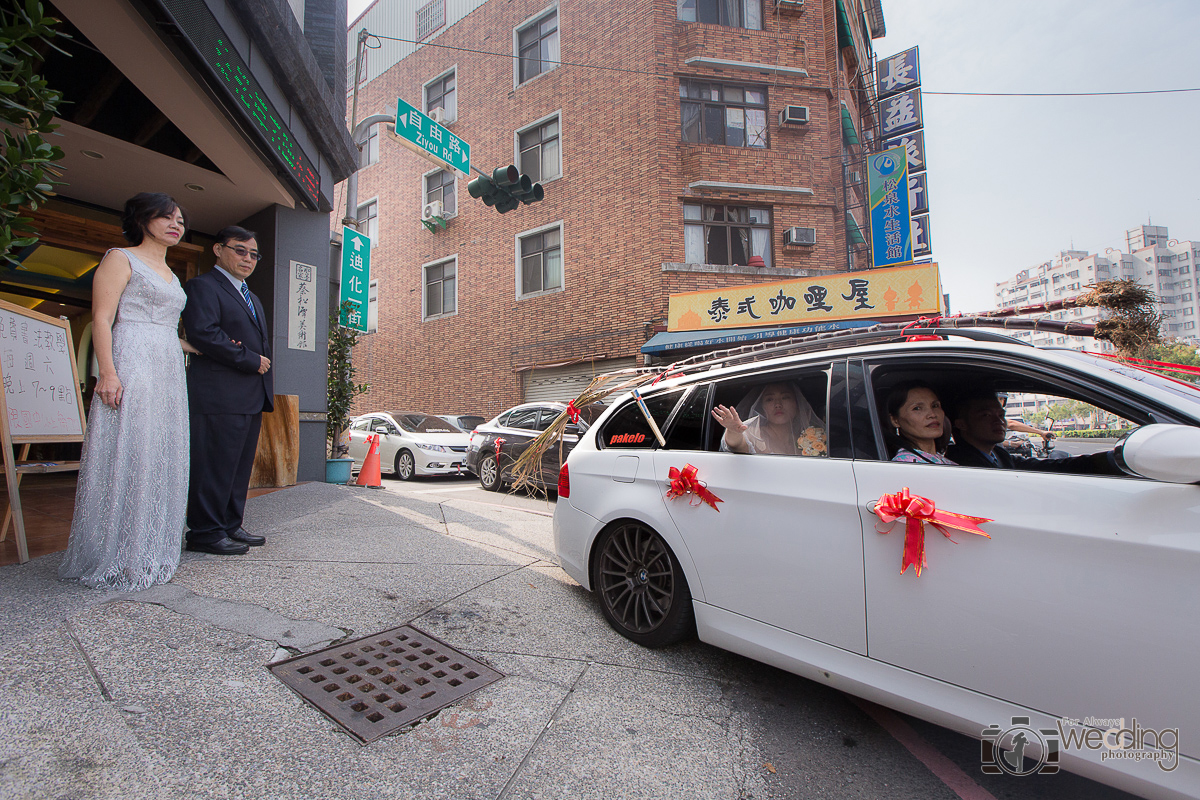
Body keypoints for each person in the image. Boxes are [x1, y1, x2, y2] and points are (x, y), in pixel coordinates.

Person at [60, 193, 199, 590]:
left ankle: (149, 547)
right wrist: (107, 372)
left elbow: (169, 329)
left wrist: (199, 348)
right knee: (131, 446)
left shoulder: (172, 273)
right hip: (132, 356)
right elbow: (103, 318)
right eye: (167, 217)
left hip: (167, 365)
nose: (176, 224)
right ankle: (117, 550)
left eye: (180, 219)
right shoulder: (120, 258)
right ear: (142, 219)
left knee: (159, 448)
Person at [182, 226, 273, 555]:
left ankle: (230, 525)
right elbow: (203, 333)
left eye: (253, 254)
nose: (248, 259)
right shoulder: (203, 287)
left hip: (249, 395)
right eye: (240, 250)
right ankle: (205, 533)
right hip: (218, 393)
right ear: (218, 249)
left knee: (236, 467)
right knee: (213, 466)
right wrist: (250, 360)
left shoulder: (253, 297)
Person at [945, 390, 1121, 474]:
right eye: (985, 415)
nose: (998, 421)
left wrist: (1107, 460)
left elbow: (1042, 466)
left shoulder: (996, 454)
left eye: (1001, 415)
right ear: (961, 424)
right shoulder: (963, 464)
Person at [711, 381, 824, 455]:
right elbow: (736, 444)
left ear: (797, 403)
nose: (778, 404)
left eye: (785, 397)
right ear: (761, 407)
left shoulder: (811, 437)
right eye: (769, 399)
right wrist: (733, 430)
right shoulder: (753, 434)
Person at [885, 381, 956, 464]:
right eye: (917, 408)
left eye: (935, 406)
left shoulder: (945, 462)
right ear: (895, 420)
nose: (932, 414)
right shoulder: (906, 463)